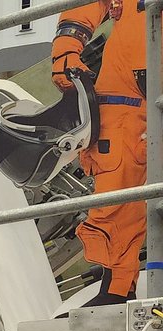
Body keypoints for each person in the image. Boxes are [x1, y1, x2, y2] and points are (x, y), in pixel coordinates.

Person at [52, 1, 148, 305]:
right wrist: (67, 47)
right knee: (114, 178)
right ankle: (117, 290)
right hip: (126, 83)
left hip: (135, 74)